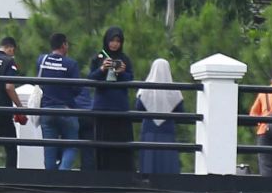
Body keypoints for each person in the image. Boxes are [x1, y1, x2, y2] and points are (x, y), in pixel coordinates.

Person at [88, 26, 134, 171]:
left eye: (118, 41)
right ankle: (101, 172)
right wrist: (102, 69)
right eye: (112, 40)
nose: (114, 44)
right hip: (103, 106)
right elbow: (90, 79)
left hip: (120, 107)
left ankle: (122, 174)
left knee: (121, 144)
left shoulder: (125, 59)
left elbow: (130, 79)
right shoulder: (98, 57)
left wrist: (121, 72)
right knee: (102, 143)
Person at [36, 32, 80, 171]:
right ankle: (63, 173)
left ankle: (50, 179)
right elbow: (77, 89)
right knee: (71, 144)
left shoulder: (42, 60)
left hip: (47, 110)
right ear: (64, 45)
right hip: (65, 109)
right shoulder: (71, 64)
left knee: (49, 148)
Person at [136, 58, 183, 174]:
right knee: (167, 163)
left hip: (149, 130)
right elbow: (181, 110)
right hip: (167, 131)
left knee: (149, 162)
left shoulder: (145, 89)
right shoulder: (174, 91)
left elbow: (138, 107)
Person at [0, 36, 24, 166]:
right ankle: (10, 177)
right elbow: (9, 86)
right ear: (10, 48)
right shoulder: (9, 61)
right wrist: (19, 106)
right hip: (2, 109)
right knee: (11, 146)